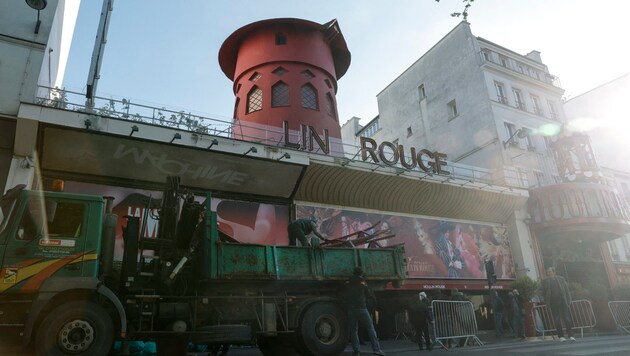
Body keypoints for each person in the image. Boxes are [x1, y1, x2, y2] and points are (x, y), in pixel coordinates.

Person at [344, 267, 386, 356]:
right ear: (361, 274)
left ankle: (356, 351)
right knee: (370, 328)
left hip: (351, 309)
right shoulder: (362, 283)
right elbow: (368, 294)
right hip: (362, 308)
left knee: (354, 330)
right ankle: (376, 349)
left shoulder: (347, 283)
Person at [541, 266, 576, 342]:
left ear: (554, 272)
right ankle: (561, 336)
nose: (548, 273)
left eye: (550, 271)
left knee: (567, 319)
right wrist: (547, 302)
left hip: (563, 302)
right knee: (557, 320)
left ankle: (571, 335)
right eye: (547, 272)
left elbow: (566, 290)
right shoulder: (545, 281)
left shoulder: (561, 279)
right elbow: (543, 293)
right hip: (553, 303)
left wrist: (569, 300)